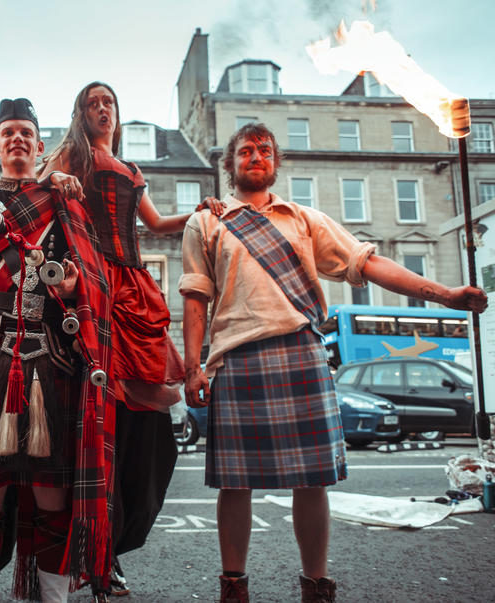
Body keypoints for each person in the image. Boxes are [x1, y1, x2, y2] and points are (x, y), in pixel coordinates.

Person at [179, 122, 488, 603]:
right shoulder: (206, 222)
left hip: (301, 352)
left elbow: (368, 263)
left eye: (265, 149)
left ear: (276, 162)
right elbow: (196, 298)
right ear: (230, 164)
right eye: (245, 150)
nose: (255, 156)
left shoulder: (305, 219)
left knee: (313, 479)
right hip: (236, 357)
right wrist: (192, 365)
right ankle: (233, 587)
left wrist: (442, 294)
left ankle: (316, 586)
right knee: (234, 484)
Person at [0, 98, 113, 602]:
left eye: (26, 133)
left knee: (51, 493)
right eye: (8, 131)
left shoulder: (65, 203)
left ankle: (52, 599)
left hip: (50, 354)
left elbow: (97, 285)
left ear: (38, 145)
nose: (16, 140)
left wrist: (76, 292)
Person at [40, 81, 188, 600]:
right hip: (93, 283)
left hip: (135, 286)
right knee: (105, 422)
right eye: (92, 103)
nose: (103, 109)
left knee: (147, 430)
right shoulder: (70, 156)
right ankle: (92, 553)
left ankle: (113, 548)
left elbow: (157, 224)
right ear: (81, 114)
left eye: (110, 103)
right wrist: (58, 178)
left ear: (118, 114)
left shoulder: (129, 168)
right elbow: (37, 190)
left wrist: (206, 210)